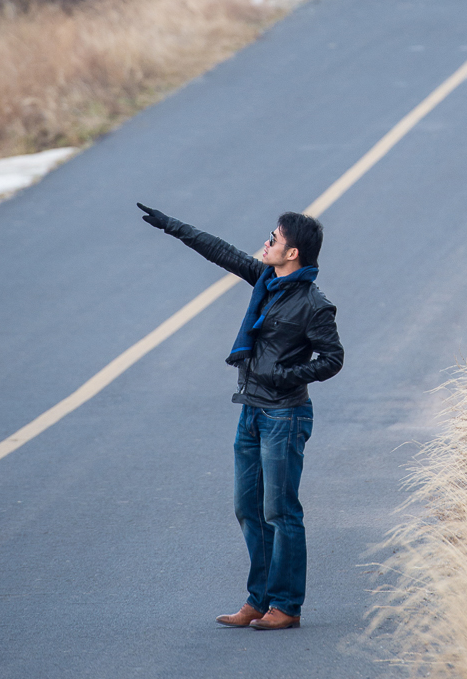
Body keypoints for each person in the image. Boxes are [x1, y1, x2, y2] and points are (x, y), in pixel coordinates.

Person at [137, 204, 344, 630]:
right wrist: (173, 226)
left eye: (274, 240)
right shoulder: (266, 282)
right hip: (251, 410)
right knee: (247, 507)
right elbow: (222, 252)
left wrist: (282, 375)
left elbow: (333, 359)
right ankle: (260, 599)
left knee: (280, 511)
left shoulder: (313, 304)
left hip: (284, 417)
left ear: (293, 254)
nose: (265, 244)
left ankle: (286, 606)